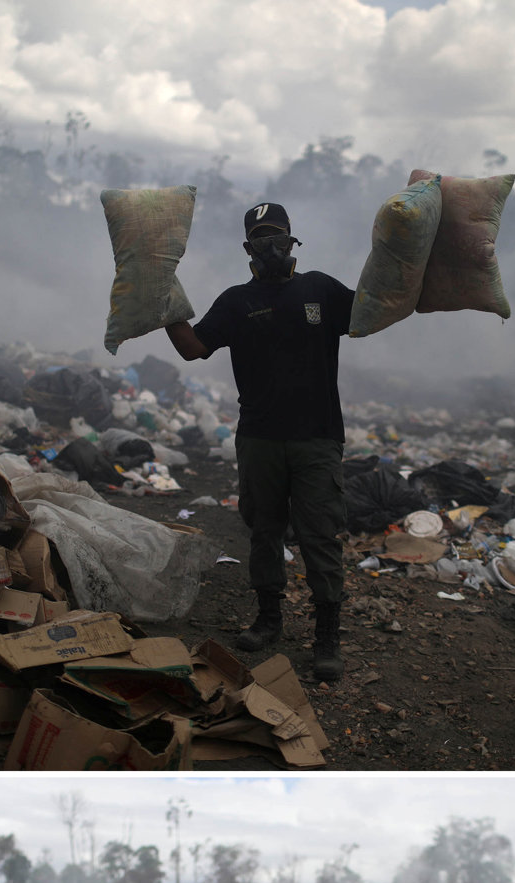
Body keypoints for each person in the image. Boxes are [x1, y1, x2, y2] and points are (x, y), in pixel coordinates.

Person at [165, 203, 357, 681]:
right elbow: (193, 347)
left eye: (278, 235)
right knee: (264, 531)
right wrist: (160, 299)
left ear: (293, 239)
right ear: (248, 247)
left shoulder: (321, 289)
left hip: (317, 439)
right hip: (260, 439)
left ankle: (326, 637)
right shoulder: (236, 301)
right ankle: (269, 619)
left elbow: (371, 314)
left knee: (319, 536)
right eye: (261, 237)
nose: (271, 245)